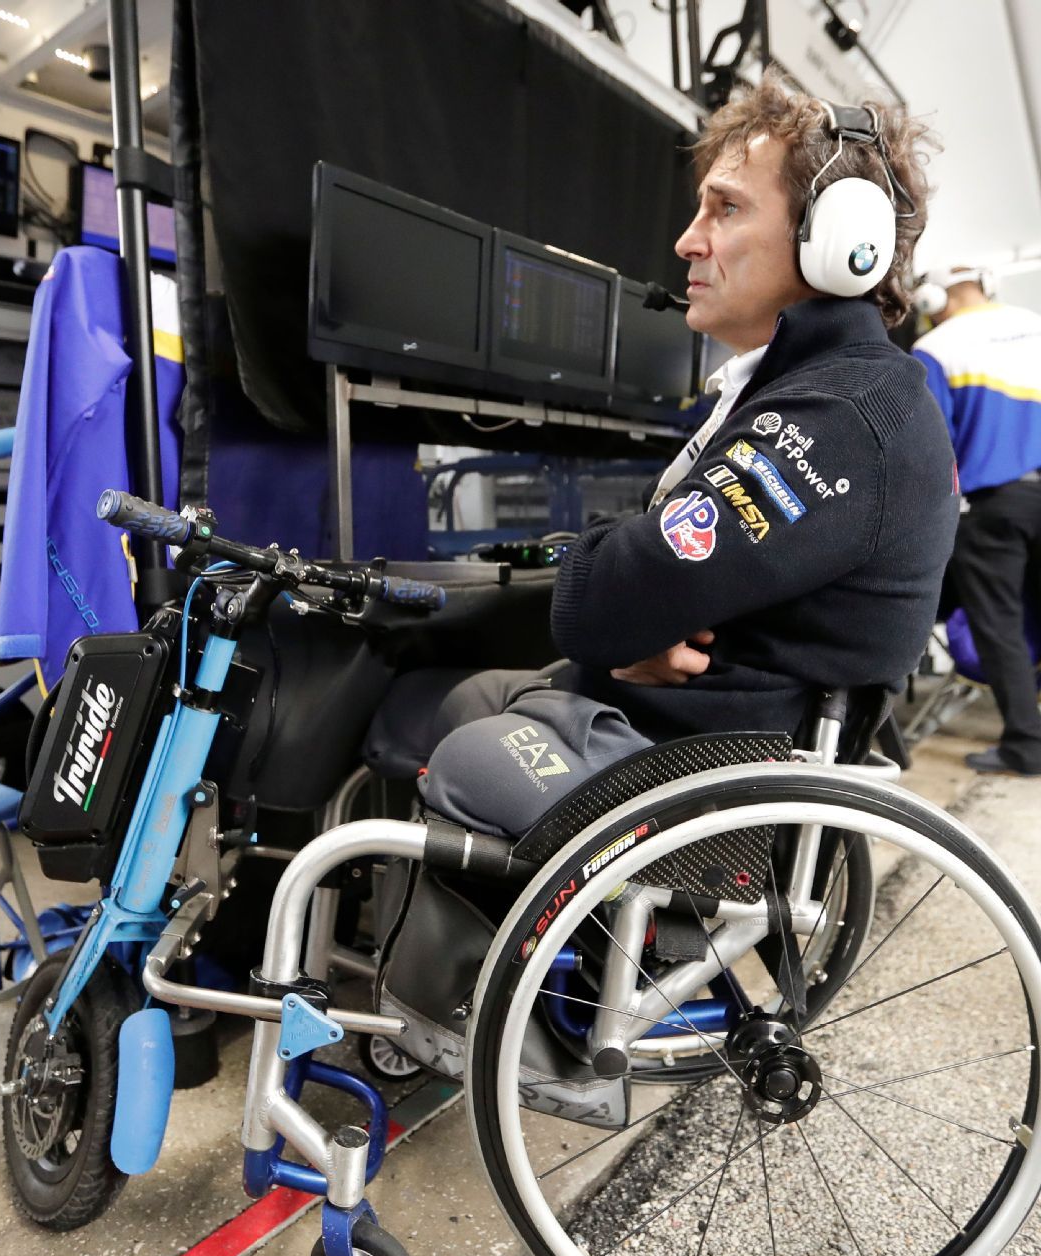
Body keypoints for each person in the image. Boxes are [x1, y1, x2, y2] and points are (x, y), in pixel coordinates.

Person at [364, 74, 959, 838]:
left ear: (837, 241)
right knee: (423, 702)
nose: (688, 240)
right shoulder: (814, 389)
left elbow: (607, 603)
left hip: (700, 782)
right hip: (676, 737)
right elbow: (640, 584)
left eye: (727, 208)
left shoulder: (839, 416)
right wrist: (636, 605)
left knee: (464, 754)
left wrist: (626, 602)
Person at [913, 267, 1041, 776]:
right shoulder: (1034, 326)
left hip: (997, 505)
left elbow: (931, 447)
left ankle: (1027, 746)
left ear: (931, 298)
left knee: (998, 623)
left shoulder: (938, 347)